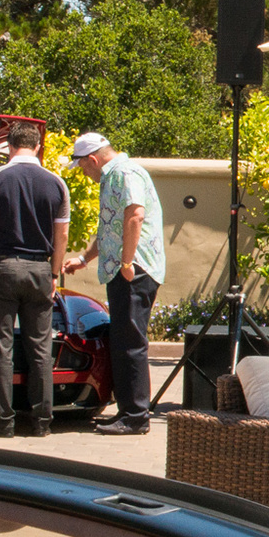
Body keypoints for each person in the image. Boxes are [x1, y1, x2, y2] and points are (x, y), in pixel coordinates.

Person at [0, 120, 69, 438]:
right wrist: (54, 273)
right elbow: (61, 233)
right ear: (38, 147)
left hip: (4, 268)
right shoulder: (56, 183)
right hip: (40, 270)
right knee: (40, 346)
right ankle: (41, 423)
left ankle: (4, 421)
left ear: (9, 147)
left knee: (0, 344)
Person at [63, 132, 165, 436]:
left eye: (83, 167)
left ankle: (135, 416)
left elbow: (135, 215)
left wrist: (126, 262)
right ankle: (128, 410)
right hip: (124, 269)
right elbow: (110, 226)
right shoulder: (113, 176)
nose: (84, 173)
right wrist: (84, 258)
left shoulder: (124, 172)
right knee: (122, 339)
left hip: (134, 270)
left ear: (92, 159)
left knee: (131, 341)